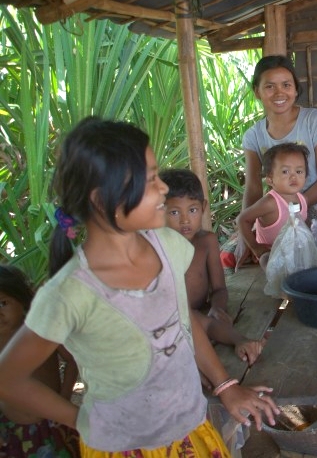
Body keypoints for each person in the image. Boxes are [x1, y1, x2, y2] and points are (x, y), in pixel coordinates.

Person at [0, 117, 279, 456]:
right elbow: (8, 378)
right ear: (102, 199)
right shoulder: (70, 293)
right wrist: (81, 420)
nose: (162, 189)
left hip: (189, 430)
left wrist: (225, 385)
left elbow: (182, 321)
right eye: (149, 180)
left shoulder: (168, 246)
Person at [240, 55, 317, 266]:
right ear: (257, 91)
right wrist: (245, 235)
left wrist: (293, 208)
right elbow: (253, 188)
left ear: (295, 89)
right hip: (275, 212)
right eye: (270, 86)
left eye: (286, 85)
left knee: (301, 246)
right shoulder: (253, 136)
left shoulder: (314, 121)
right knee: (237, 249)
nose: (279, 93)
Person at [160, 168, 264, 366]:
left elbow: (219, 289)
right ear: (159, 211)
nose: (185, 220)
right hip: (169, 324)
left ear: (204, 207)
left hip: (201, 317)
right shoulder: (157, 249)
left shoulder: (207, 242)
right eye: (174, 212)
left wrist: (217, 307)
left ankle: (241, 342)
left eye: (192, 210)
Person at [0, 264, 80, 457]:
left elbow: (72, 360)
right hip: (11, 430)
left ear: (23, 302)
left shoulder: (38, 332)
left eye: (3, 303)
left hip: (53, 420)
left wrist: (64, 397)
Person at [238, 143, 310, 262]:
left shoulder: (303, 200)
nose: (293, 177)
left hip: (293, 252)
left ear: (306, 176)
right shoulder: (270, 203)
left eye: (299, 171)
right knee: (265, 260)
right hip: (272, 254)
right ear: (270, 179)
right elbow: (242, 220)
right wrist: (255, 247)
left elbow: (302, 224)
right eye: (285, 171)